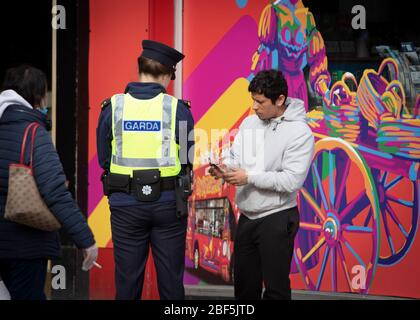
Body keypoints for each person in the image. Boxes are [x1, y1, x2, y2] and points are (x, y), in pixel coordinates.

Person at [96, 40, 195, 300]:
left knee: (127, 284)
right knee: (171, 284)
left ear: (140, 69)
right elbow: (187, 158)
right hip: (167, 205)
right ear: (166, 75)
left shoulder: (113, 107)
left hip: (125, 204)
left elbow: (104, 158)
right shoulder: (178, 109)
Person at [210, 70, 314, 300]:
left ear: (280, 100)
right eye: (253, 101)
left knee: (276, 290)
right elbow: (235, 156)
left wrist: (249, 177)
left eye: (260, 102)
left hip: (278, 217)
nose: (255, 107)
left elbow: (291, 180)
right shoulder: (249, 123)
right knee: (245, 288)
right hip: (247, 217)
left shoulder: (300, 133)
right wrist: (224, 168)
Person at [0, 65, 98, 300]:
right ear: (38, 96)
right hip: (25, 245)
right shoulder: (34, 132)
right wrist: (85, 239)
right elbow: (54, 192)